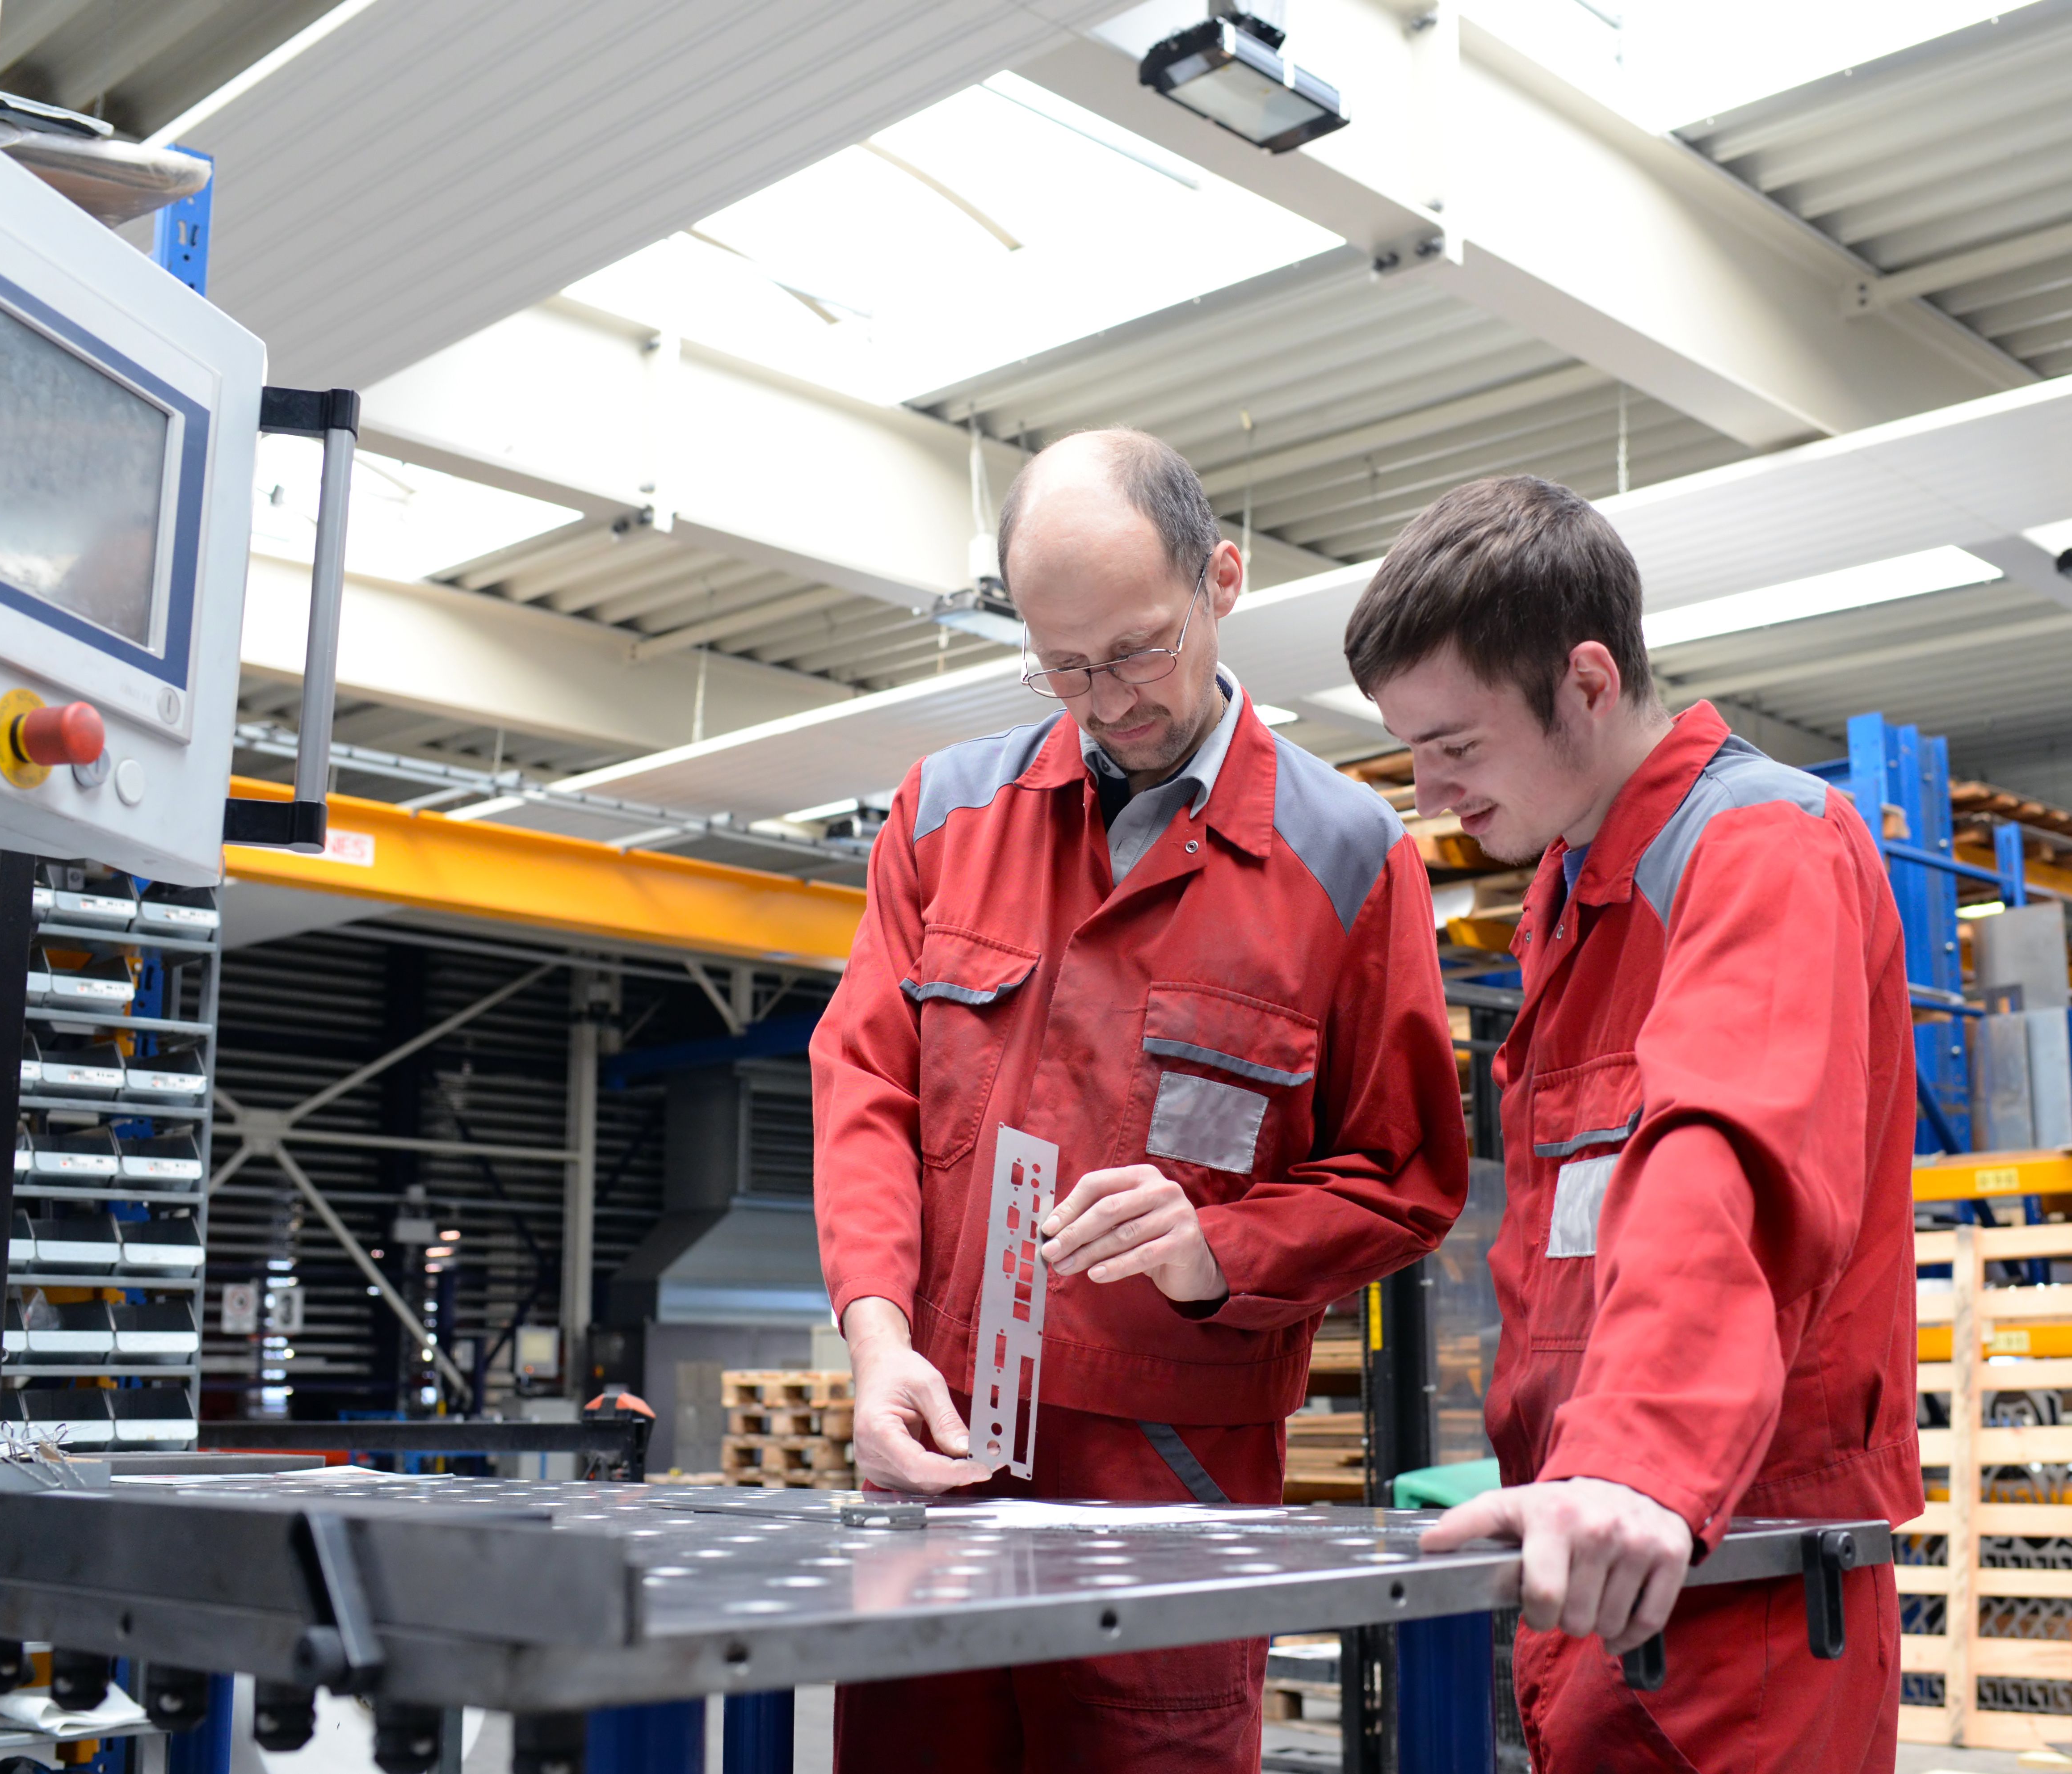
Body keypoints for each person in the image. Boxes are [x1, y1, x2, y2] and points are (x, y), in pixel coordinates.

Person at [811, 428, 1468, 1770]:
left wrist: (1212, 1247)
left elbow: (1403, 1177)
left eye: (1137, 647)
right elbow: (865, 1084)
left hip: (1169, 1485)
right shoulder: (944, 815)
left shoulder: (1347, 860)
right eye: (1064, 665)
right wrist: (879, 1348)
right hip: (939, 1449)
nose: (1106, 699)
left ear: (1221, 580)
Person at [1341, 476, 1922, 1773]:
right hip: (1605, 1557)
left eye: (1456, 747)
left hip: (1744, 1586)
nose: (1431, 798)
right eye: (1412, 756)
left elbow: (1726, 1151)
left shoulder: (1758, 844)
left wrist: (1637, 1459)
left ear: (1588, 680)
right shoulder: (1569, 889)